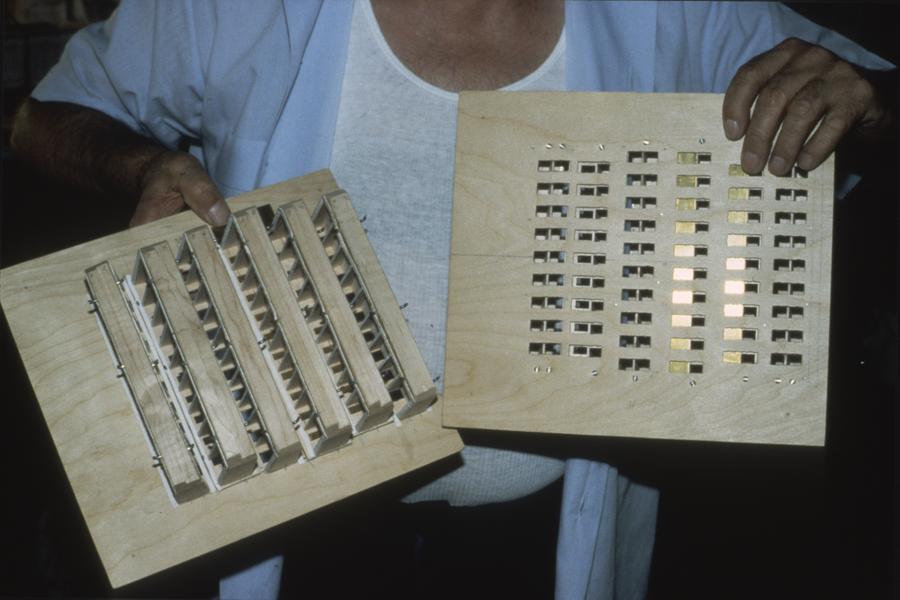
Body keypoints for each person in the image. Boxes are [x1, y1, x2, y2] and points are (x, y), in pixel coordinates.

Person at [11, 2, 895, 598]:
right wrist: (141, 166)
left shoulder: (674, 11)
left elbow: (870, 89)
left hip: (540, 538)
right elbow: (41, 117)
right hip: (295, 519)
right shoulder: (234, 10)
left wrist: (869, 100)